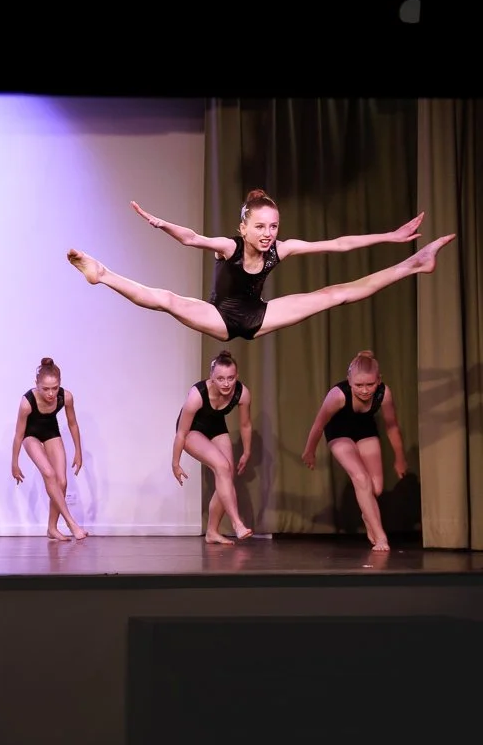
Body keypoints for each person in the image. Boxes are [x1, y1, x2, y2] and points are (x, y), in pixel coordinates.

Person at [67, 190, 454, 341]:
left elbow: (338, 244)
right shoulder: (228, 246)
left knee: (334, 294)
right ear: (244, 227)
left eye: (273, 226)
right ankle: (103, 274)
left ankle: (415, 264)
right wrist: (162, 224)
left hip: (258, 316)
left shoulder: (279, 250)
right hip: (219, 317)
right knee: (168, 299)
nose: (268, 233)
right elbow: (191, 238)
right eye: (260, 227)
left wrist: (390, 236)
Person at [300, 350, 407, 552]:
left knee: (375, 489)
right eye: (359, 385)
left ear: (379, 380)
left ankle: (367, 514)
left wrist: (399, 458)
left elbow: (392, 426)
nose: (365, 391)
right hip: (339, 431)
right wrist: (310, 450)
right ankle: (380, 536)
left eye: (370, 384)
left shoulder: (384, 394)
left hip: (365, 430)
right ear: (349, 381)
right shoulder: (338, 395)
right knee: (361, 479)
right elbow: (319, 424)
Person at [171, 350, 256, 543]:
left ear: (237, 376)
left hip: (216, 427)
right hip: (192, 431)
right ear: (212, 378)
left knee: (227, 474)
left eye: (231, 378)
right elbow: (181, 433)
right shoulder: (197, 395)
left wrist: (247, 451)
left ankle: (212, 532)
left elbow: (245, 425)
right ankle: (237, 523)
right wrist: (175, 463)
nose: (226, 384)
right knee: (222, 467)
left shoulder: (242, 393)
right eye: (220, 379)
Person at [9, 357, 89, 540]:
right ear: (36, 384)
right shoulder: (26, 402)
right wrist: (14, 463)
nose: (51, 393)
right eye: (45, 389)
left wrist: (78, 451)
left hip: (51, 432)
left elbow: (73, 424)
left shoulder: (66, 397)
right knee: (49, 474)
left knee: (62, 482)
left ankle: (52, 528)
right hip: (31, 435)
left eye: (54, 388)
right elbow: (18, 434)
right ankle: (71, 523)